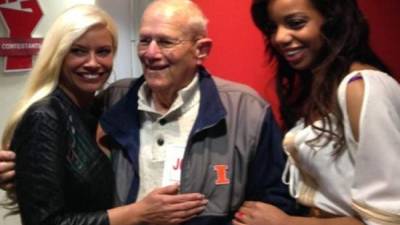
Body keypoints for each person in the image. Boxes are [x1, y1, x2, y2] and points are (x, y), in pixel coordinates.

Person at [96, 0, 303, 224]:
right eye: (145, 40)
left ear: (200, 50)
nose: (151, 53)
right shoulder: (114, 99)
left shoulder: (247, 109)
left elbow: (274, 200)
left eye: (165, 42)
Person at [0, 4, 207, 225]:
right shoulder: (46, 116)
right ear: (58, 55)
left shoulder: (99, 107)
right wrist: (138, 213)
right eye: (78, 51)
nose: (92, 63)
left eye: (103, 52)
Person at [232, 0, 400, 225]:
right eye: (273, 28)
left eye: (296, 23)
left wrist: (287, 223)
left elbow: (389, 219)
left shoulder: (362, 87)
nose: (280, 37)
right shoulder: (320, 89)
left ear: (332, 21)